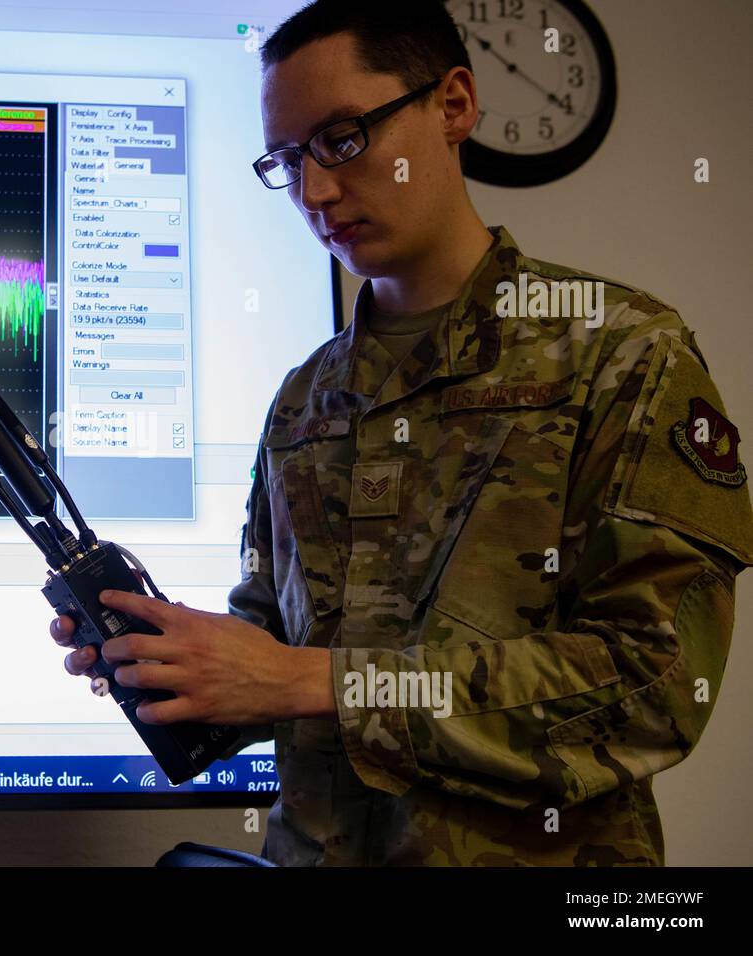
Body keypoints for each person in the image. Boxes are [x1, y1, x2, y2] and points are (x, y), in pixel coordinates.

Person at [50, 0, 753, 865]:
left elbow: (654, 687)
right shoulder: (305, 399)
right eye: (289, 159)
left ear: (453, 104)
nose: (315, 191)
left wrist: (315, 682)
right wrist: (179, 666)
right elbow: (275, 657)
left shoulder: (623, 353)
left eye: (343, 138)